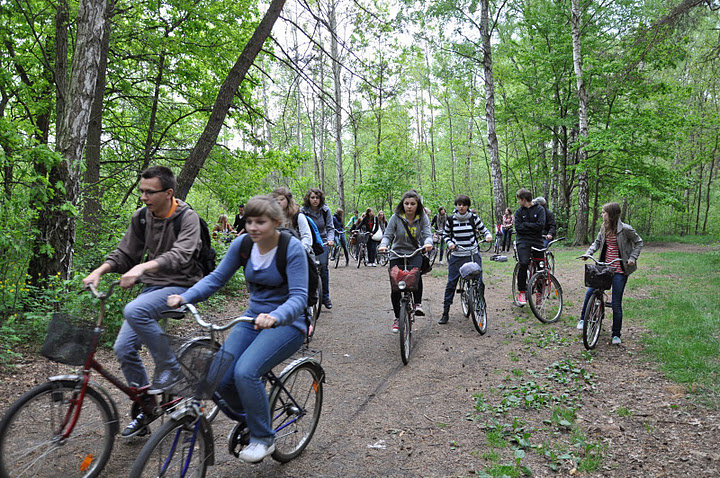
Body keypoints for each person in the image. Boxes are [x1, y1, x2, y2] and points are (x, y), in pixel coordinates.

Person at [167, 195, 308, 463]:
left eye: (261, 222)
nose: (253, 227)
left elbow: (299, 297)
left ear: (276, 222)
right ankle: (256, 416)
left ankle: (264, 438)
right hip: (251, 319)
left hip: (289, 323)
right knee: (220, 375)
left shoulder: (292, 248)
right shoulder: (243, 244)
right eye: (249, 221)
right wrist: (186, 297)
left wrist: (276, 315)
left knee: (246, 372)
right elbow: (217, 278)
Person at [82, 166, 204, 438]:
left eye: (150, 192)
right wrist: (99, 271)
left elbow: (181, 255)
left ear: (168, 193)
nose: (143, 197)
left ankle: (171, 371)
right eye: (141, 191)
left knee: (134, 309)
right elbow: (125, 253)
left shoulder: (187, 218)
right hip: (153, 287)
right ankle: (146, 405)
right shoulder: (141, 218)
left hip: (183, 286)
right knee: (123, 348)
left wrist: (143, 268)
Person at [577, 202, 643, 345]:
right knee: (590, 292)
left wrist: (632, 258)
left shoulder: (625, 229)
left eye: (604, 212)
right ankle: (583, 319)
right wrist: (588, 253)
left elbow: (639, 242)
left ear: (611, 215)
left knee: (616, 303)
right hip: (604, 268)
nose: (602, 214)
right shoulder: (604, 228)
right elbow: (597, 242)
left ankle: (616, 334)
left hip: (620, 269)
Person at [378, 190, 433, 333]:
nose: (409, 206)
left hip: (414, 252)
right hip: (397, 253)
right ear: (402, 204)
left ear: (417, 205)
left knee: (416, 275)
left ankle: (417, 303)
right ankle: (397, 317)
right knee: (396, 284)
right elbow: (388, 235)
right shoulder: (396, 217)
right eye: (407, 203)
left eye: (413, 204)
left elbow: (427, 234)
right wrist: (383, 245)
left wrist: (428, 243)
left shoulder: (422, 218)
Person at [439, 196, 492, 324]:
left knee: (479, 282)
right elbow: (445, 235)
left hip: (472, 254)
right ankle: (445, 312)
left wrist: (488, 235)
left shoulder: (474, 218)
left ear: (468, 206)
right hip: (457, 255)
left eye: (463, 204)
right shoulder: (451, 220)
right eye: (458, 204)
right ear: (456, 205)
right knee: (451, 283)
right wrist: (450, 243)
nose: (461, 207)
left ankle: (480, 306)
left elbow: (484, 229)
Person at [302, 188, 335, 309]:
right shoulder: (303, 212)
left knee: (323, 268)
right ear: (308, 199)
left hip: (323, 242)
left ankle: (325, 296)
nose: (315, 200)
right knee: (307, 269)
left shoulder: (326, 211)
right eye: (312, 198)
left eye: (317, 198)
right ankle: (307, 296)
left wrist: (330, 239)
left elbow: (330, 227)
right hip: (308, 242)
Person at [514, 188, 546, 306]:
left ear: (523, 199)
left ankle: (539, 294)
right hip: (523, 241)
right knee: (523, 263)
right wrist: (532, 226)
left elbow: (540, 226)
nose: (518, 202)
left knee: (541, 268)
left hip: (537, 241)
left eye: (519, 200)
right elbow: (518, 228)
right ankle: (522, 291)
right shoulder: (518, 212)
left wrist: (526, 225)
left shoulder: (540, 210)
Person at [271, 187, 313, 254]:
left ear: (288, 200)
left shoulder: (298, 216)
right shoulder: (271, 217)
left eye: (282, 199)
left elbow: (306, 236)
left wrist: (300, 252)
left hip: (297, 253)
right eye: (276, 200)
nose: (278, 202)